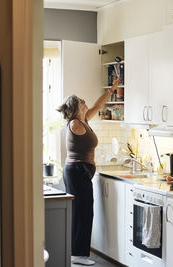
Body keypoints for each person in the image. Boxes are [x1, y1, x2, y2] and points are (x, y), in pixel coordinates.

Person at [56, 77, 121, 265]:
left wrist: (111, 90)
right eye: (82, 101)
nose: (86, 103)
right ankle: (78, 254)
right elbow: (87, 108)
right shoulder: (75, 124)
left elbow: (97, 104)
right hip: (77, 171)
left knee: (82, 211)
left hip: (78, 171)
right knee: (83, 212)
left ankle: (76, 252)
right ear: (77, 107)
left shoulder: (82, 120)